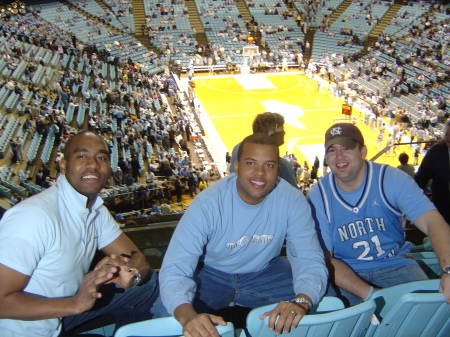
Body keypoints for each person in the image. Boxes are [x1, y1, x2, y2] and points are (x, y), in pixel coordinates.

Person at [157, 134, 327, 336]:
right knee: (164, 315)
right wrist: (187, 317)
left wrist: (302, 301)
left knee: (324, 298)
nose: (260, 173)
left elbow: (308, 257)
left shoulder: (293, 200)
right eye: (251, 163)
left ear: (278, 170)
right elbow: (176, 266)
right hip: (210, 274)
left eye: (269, 166)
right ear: (236, 167)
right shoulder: (207, 204)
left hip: (266, 272)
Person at [0, 131, 159, 336]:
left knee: (146, 286)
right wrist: (76, 304)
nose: (93, 165)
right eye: (82, 156)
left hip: (62, 313)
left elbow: (139, 259)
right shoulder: (32, 217)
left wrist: (129, 273)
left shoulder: (95, 210)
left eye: (101, 158)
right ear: (64, 165)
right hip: (28, 328)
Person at [308, 123, 450, 307]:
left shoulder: (391, 179)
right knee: (343, 319)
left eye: (347, 148)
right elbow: (324, 258)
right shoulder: (318, 196)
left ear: (363, 151)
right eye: (332, 150)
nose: (339, 156)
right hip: (344, 272)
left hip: (395, 264)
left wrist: (448, 270)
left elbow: (433, 221)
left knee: (427, 310)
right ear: (326, 157)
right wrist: (372, 294)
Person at [229, 112, 297, 188]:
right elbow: (294, 193)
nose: (284, 133)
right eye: (281, 131)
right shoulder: (282, 165)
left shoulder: (239, 147)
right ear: (270, 133)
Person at [415, 120, 450, 225]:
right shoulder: (436, 151)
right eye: (447, 134)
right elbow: (421, 178)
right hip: (442, 206)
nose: (448, 138)